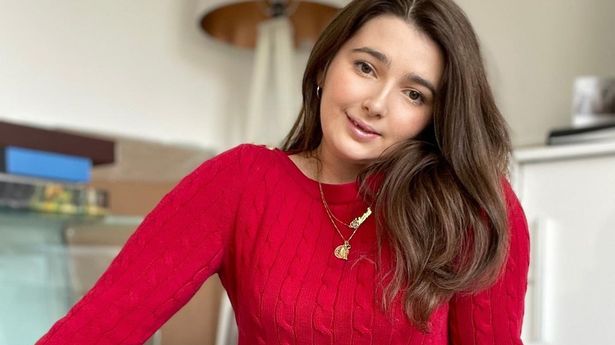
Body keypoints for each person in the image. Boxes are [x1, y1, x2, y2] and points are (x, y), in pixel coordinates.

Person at [36, 0, 530, 344]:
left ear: (434, 118)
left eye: (414, 93)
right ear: (325, 64)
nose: (376, 104)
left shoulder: (470, 206)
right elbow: (101, 325)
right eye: (365, 67)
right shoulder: (240, 182)